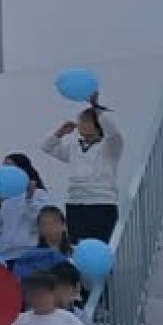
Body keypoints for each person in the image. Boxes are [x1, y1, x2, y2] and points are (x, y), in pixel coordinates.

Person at [41, 99, 122, 243]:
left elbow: (114, 133)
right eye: (81, 120)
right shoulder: (74, 147)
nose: (81, 124)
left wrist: (97, 109)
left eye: (86, 120)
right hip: (75, 204)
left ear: (98, 124)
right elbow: (47, 147)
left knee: (101, 247)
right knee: (77, 246)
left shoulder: (109, 147)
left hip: (101, 204)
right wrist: (60, 133)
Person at [0, 154, 50, 266]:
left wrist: (29, 199)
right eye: (4, 168)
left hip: (27, 253)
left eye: (10, 167)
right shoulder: (2, 194)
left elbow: (38, 223)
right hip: (2, 254)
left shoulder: (38, 194)